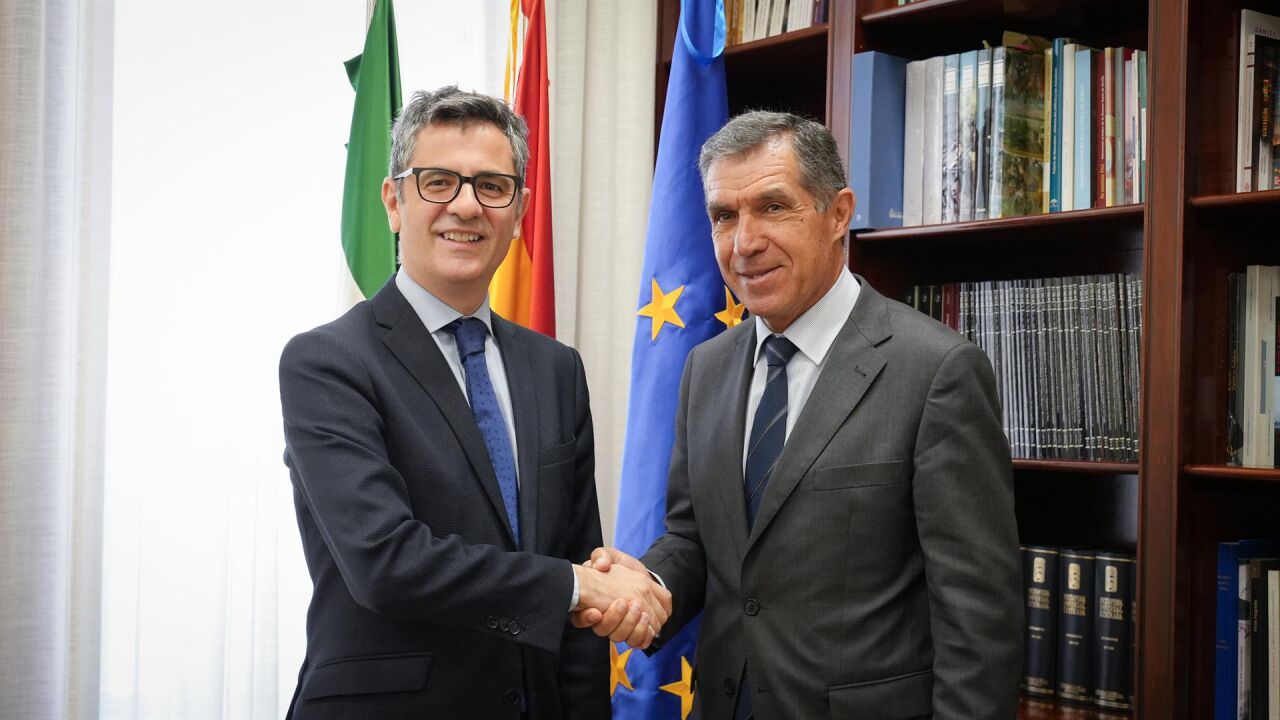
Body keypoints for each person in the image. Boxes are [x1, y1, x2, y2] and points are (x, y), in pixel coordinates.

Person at [578, 111, 1022, 719]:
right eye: (724, 216)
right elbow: (696, 539)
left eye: (773, 207)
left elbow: (978, 619)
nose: (744, 242)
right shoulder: (706, 368)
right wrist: (647, 590)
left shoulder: (936, 372)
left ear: (838, 214)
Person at [278, 86, 668, 719]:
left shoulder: (556, 369)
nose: (466, 205)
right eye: (438, 182)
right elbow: (385, 562)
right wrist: (574, 586)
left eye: (492, 186)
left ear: (519, 210)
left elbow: (578, 576)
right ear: (394, 201)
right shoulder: (327, 362)